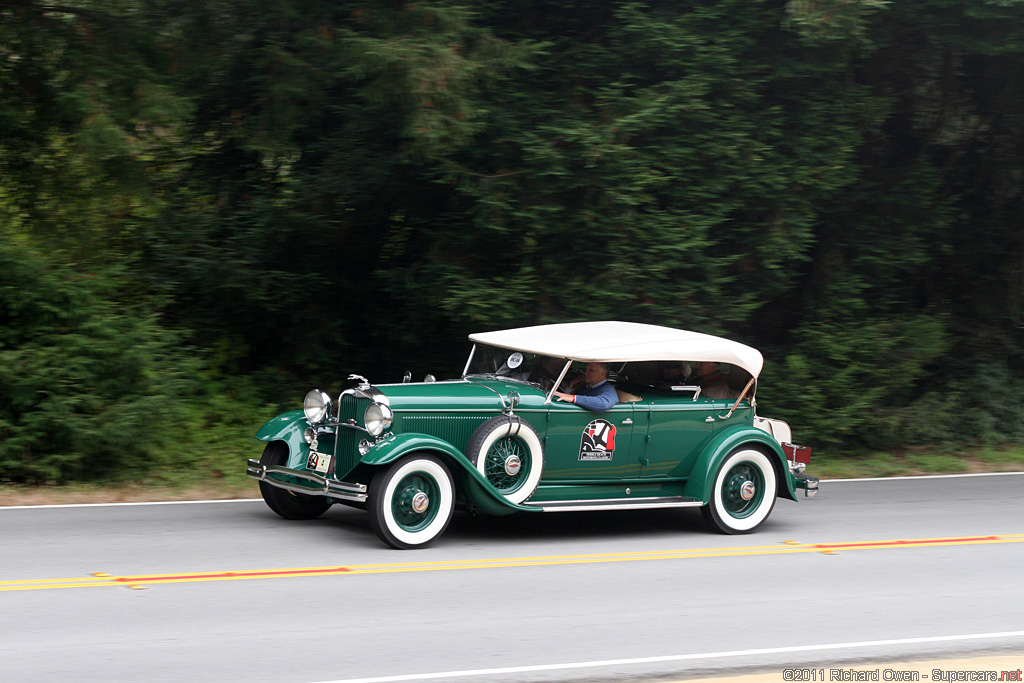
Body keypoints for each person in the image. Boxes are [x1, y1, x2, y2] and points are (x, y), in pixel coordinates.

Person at [553, 362, 618, 411]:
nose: (586, 373)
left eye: (591, 370)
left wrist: (574, 398)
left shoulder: (608, 389)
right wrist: (571, 386)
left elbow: (604, 404)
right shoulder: (586, 387)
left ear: (603, 373)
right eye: (586, 369)